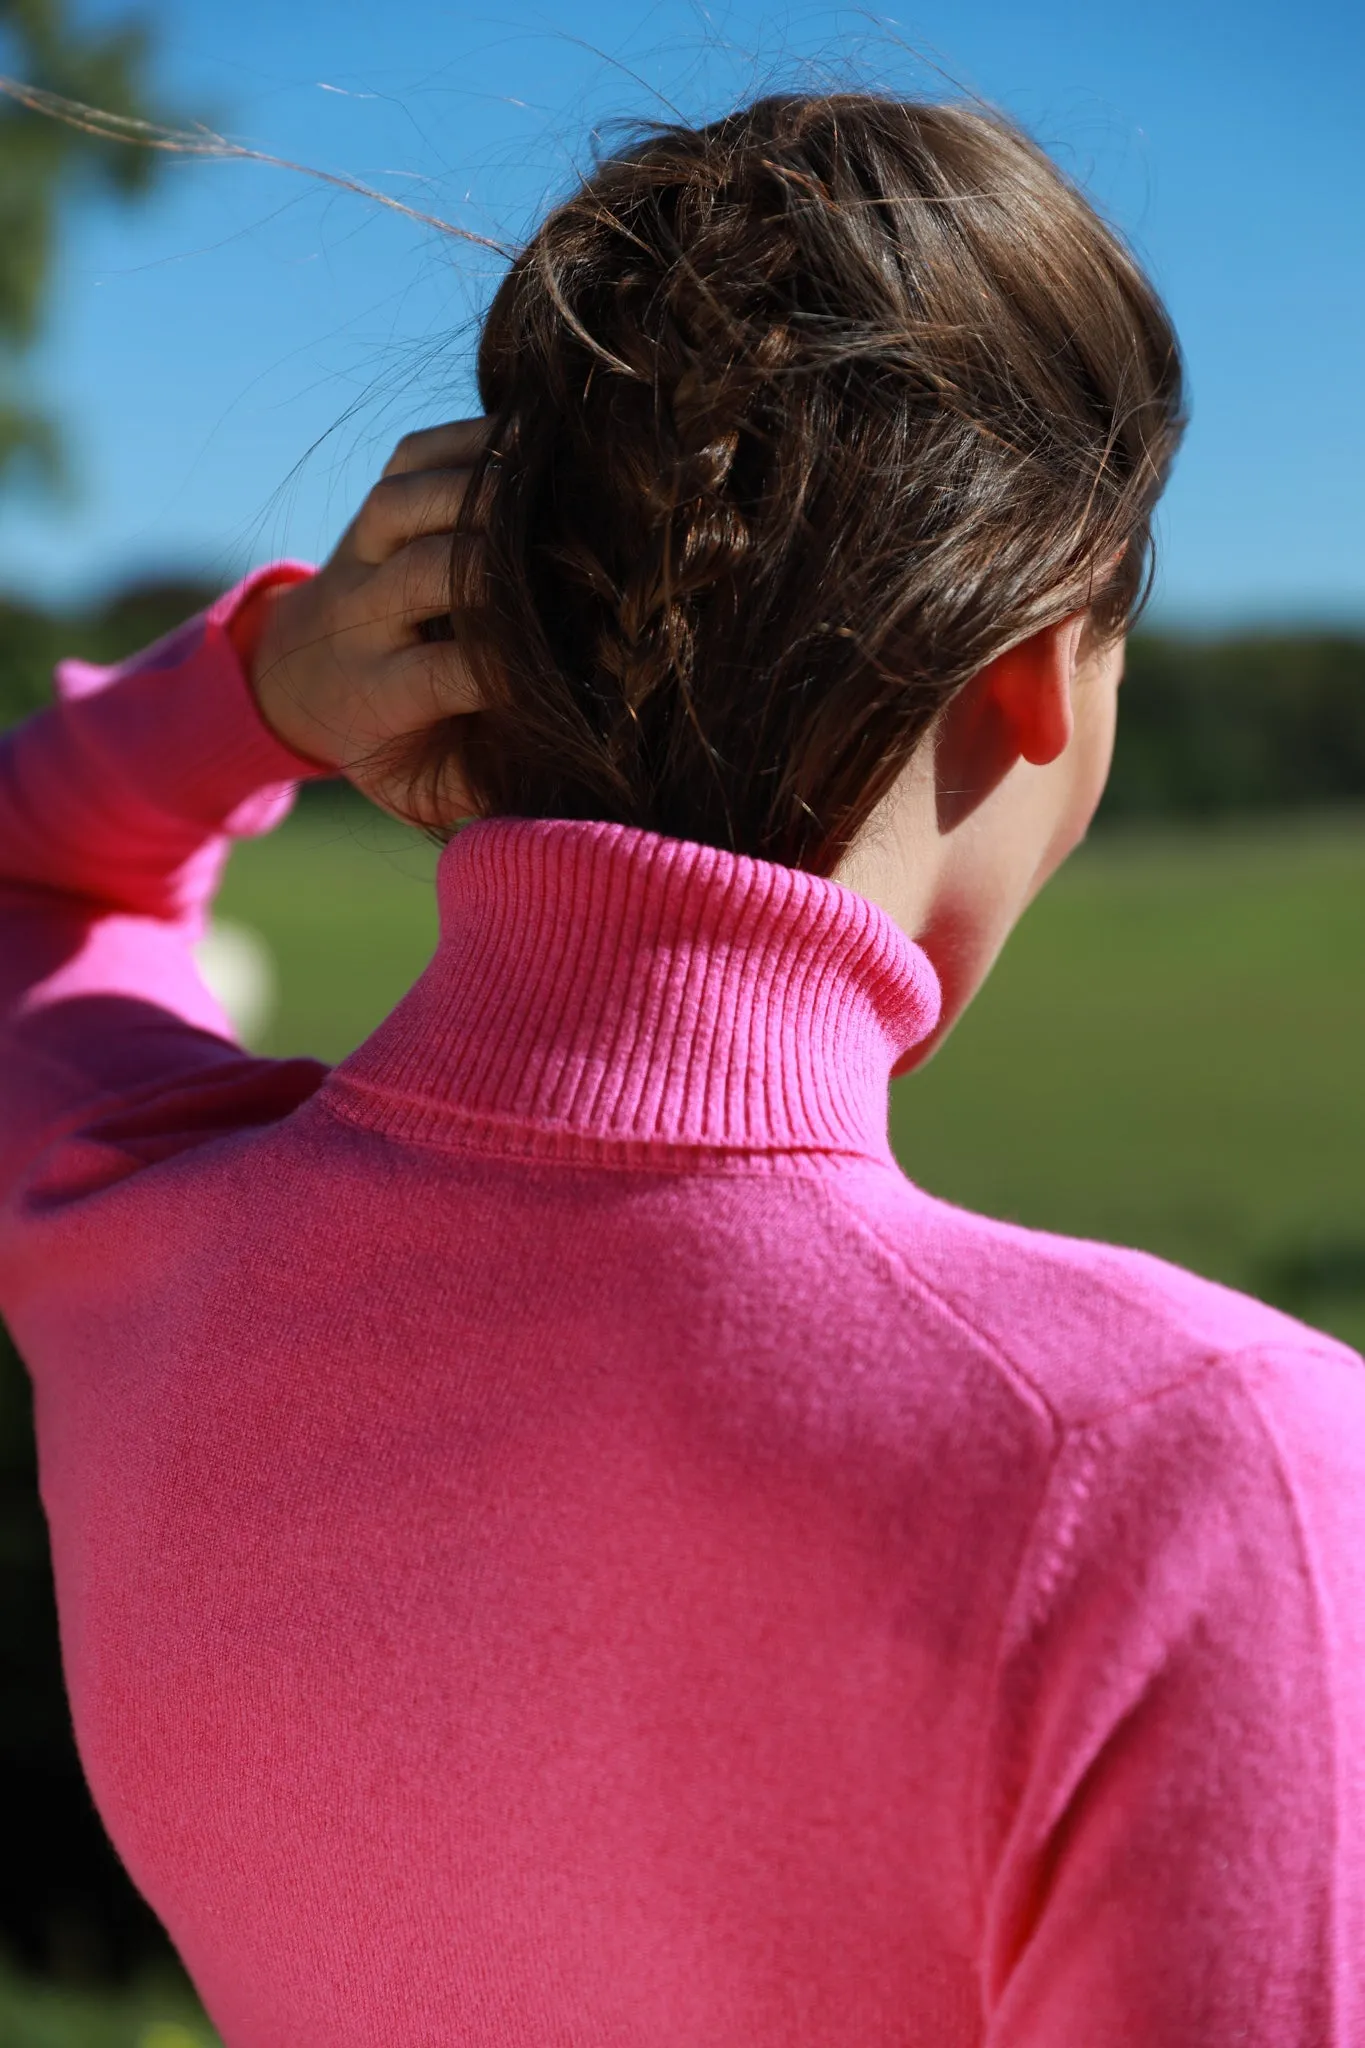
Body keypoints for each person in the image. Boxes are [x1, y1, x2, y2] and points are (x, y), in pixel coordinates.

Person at [2, 89, 1363, 2048]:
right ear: (1038, 680)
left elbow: (32, 876)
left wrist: (266, 690)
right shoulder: (1199, 1481)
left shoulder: (135, 1236)